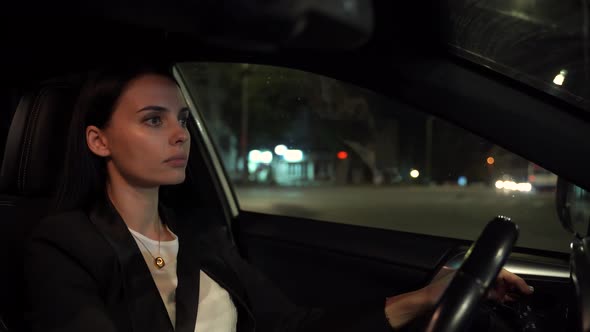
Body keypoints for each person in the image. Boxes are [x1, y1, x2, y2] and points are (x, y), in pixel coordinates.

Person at [23, 63, 533, 332]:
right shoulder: (63, 249)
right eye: (153, 120)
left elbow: (292, 325)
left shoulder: (203, 238)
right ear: (99, 140)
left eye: (182, 120)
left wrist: (422, 300)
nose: (180, 135)